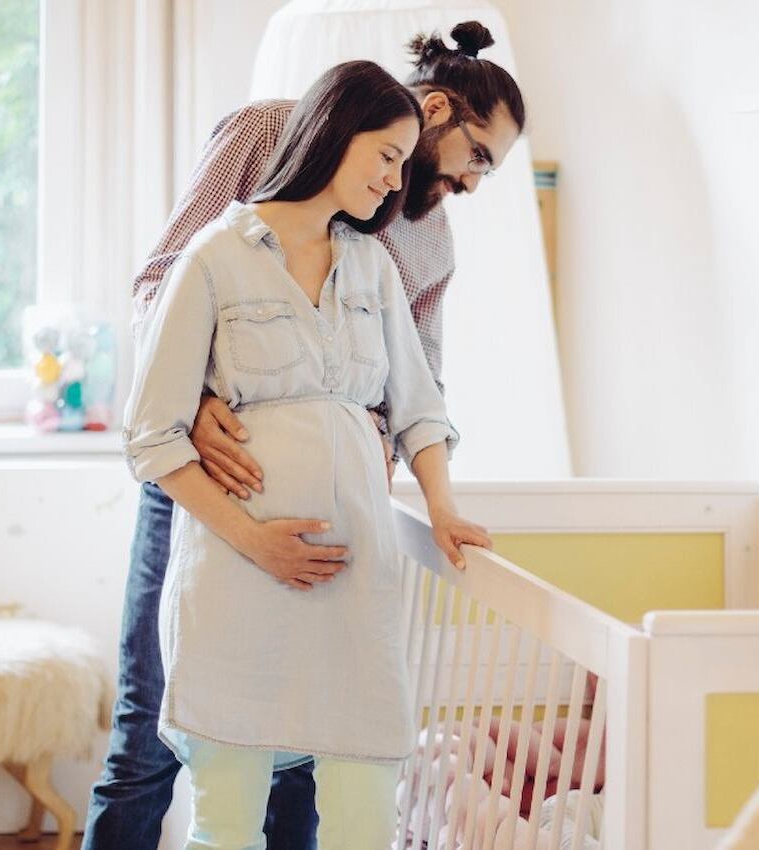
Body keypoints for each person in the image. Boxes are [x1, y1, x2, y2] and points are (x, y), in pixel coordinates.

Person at [84, 21, 526, 850]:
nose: (468, 183)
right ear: (434, 112)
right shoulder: (259, 145)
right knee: (153, 729)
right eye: (477, 158)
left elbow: (417, 389)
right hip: (211, 488)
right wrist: (195, 400)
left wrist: (389, 481)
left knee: (316, 768)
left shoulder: (412, 246)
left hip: (336, 529)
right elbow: (160, 284)